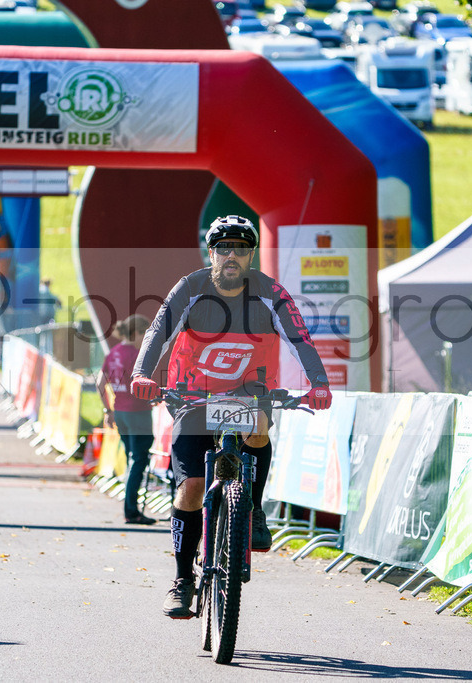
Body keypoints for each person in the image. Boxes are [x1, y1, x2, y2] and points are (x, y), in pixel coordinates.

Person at [129, 215, 333, 619]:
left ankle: (252, 509)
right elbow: (157, 331)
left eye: (241, 249)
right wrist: (140, 374)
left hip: (249, 392)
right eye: (224, 248)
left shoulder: (271, 292)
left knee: (258, 427)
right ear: (212, 253)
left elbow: (299, 338)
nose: (232, 256)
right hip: (192, 393)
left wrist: (319, 382)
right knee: (191, 488)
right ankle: (183, 579)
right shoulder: (191, 287)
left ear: (251, 255)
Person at [100, 314, 156, 526]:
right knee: (138, 461)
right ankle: (131, 511)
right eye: (145, 334)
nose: (146, 340)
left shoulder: (113, 352)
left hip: (120, 412)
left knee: (132, 459)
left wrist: (108, 410)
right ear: (135, 333)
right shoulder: (136, 354)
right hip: (138, 413)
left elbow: (100, 383)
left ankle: (130, 507)